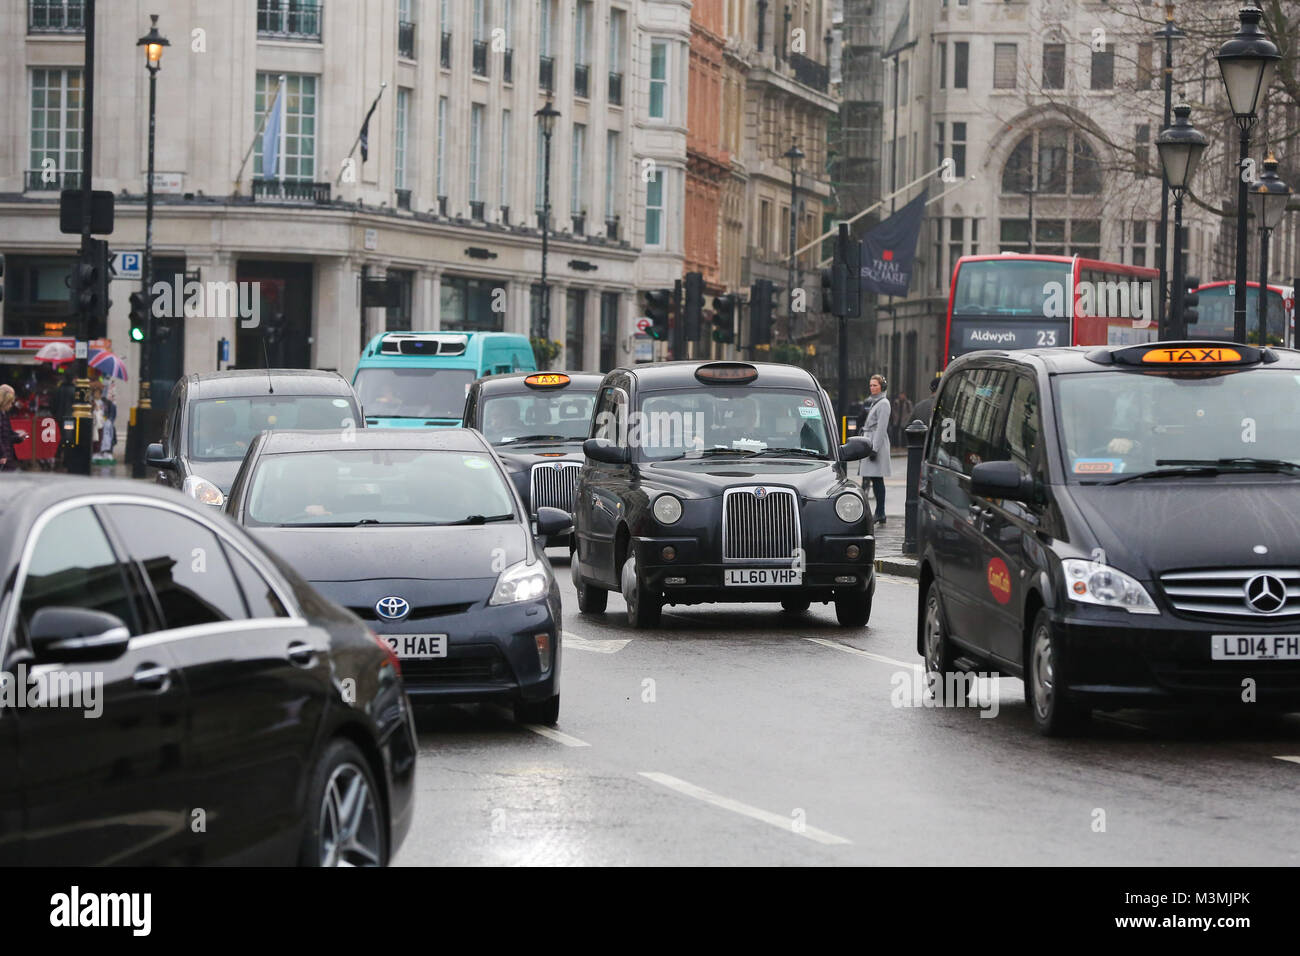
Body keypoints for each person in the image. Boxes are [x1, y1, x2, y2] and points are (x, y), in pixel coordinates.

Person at [857, 374, 892, 524]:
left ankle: (880, 512)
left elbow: (882, 428)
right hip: (869, 439)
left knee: (877, 479)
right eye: (871, 385)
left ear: (882, 386)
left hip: (875, 442)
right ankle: (879, 512)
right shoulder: (875, 402)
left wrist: (875, 448)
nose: (872, 388)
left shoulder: (883, 403)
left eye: (875, 385)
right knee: (874, 478)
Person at [0, 385, 24, 473]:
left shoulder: (4, 414)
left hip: (7, 455)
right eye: (10, 402)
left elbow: (7, 434)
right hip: (4, 456)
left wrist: (18, 437)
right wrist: (2, 455)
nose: (11, 405)